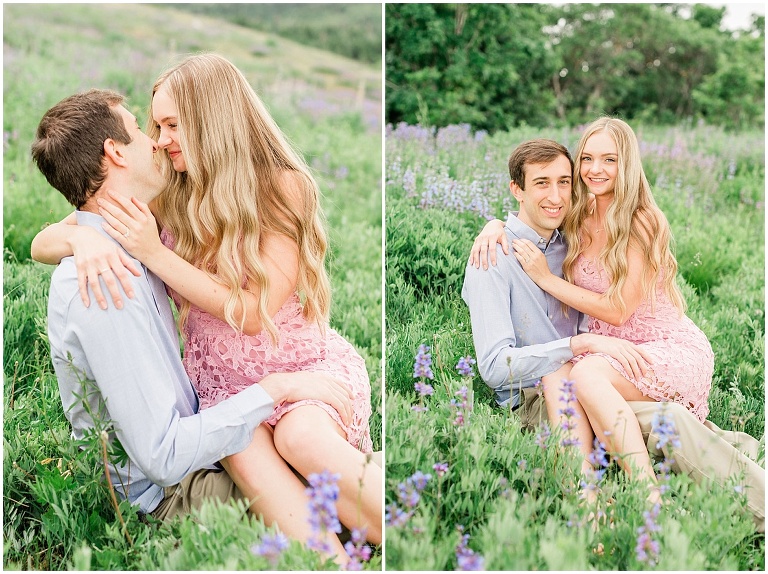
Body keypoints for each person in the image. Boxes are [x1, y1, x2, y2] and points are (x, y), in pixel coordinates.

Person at [32, 54, 381, 556]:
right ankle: (337, 560)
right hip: (221, 387)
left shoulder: (282, 188)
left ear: (212, 117)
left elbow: (256, 313)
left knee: (301, 440)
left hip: (297, 362)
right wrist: (81, 243)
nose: (161, 138)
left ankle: (412, 522)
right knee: (256, 464)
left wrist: (154, 254)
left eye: (172, 124)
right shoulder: (169, 190)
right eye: (154, 125)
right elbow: (50, 236)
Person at [463, 137, 764, 530]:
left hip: (593, 373)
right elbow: (491, 367)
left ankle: (747, 493)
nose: (555, 196)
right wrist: (494, 226)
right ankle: (658, 503)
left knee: (666, 416)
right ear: (516, 189)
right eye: (541, 183)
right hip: (540, 394)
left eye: (564, 182)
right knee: (665, 419)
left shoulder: (570, 232)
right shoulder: (492, 257)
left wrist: (498, 221)